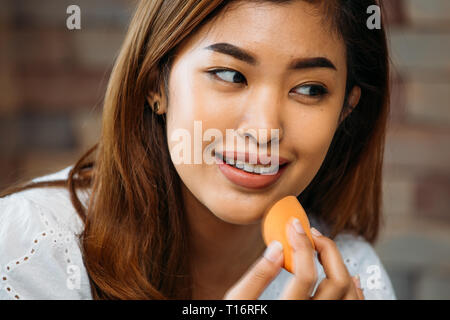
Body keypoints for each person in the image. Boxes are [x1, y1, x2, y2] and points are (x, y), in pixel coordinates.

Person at [0, 0, 396, 300]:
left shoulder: (348, 274)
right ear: (156, 83)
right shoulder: (31, 248)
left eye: (310, 89)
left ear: (346, 108)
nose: (263, 131)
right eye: (229, 75)